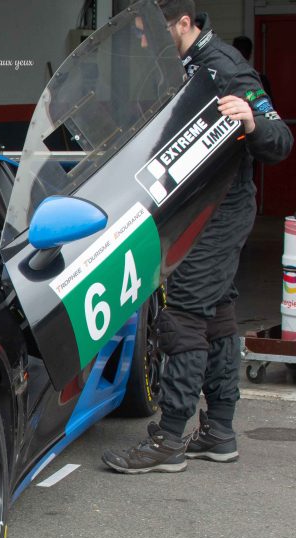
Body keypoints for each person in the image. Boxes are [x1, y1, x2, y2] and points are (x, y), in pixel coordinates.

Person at [102, 0, 292, 474]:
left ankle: (169, 439)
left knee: (183, 314)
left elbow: (280, 140)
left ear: (185, 24)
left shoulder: (224, 67)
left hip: (220, 212)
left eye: (153, 33)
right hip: (192, 207)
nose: (146, 43)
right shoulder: (181, 67)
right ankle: (220, 431)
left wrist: (251, 121)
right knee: (219, 314)